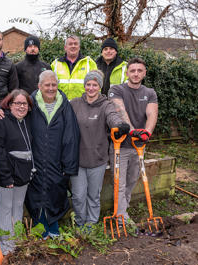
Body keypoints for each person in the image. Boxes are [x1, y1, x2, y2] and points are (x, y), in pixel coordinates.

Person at [70, 70, 130, 228]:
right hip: (78, 159)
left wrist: (119, 125)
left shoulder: (106, 105)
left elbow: (113, 117)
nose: (91, 88)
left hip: (98, 158)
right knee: (78, 195)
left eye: (94, 85)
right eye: (88, 84)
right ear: (84, 86)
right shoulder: (75, 104)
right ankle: (80, 223)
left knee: (94, 195)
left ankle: (91, 223)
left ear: (100, 87)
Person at [25, 70, 80, 239]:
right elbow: (10, 110)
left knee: (56, 193)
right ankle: (40, 229)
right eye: (47, 85)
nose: (50, 88)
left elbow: (71, 136)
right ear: (39, 86)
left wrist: (69, 165)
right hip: (36, 159)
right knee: (36, 194)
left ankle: (53, 228)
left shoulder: (64, 105)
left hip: (57, 160)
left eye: (53, 85)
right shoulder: (30, 103)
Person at [108, 57, 158, 227]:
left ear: (144, 73)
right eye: (133, 71)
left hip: (139, 146)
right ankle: (121, 219)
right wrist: (132, 131)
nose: (136, 74)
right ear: (127, 72)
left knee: (131, 181)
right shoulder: (117, 89)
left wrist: (147, 134)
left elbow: (152, 114)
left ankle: (122, 210)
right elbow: (120, 110)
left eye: (139, 71)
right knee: (119, 183)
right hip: (120, 145)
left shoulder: (150, 93)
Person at [0, 89, 34, 255]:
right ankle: (5, 245)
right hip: (6, 175)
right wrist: (5, 176)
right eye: (17, 103)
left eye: (25, 104)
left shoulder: (27, 121)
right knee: (6, 208)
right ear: (9, 104)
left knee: (18, 207)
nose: (21, 107)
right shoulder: (1, 120)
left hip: (23, 174)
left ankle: (16, 241)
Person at [51, 35, 97, 100]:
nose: (73, 46)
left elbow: (97, 87)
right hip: (60, 106)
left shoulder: (89, 63)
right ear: (65, 47)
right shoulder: (55, 64)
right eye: (70, 44)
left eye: (75, 44)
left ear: (79, 47)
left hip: (83, 106)